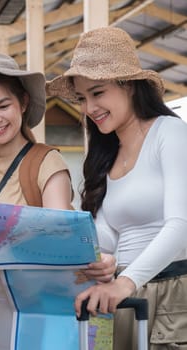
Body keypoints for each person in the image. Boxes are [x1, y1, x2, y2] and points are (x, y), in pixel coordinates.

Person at [0, 52, 116, 350]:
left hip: (18, 324)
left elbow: (60, 243)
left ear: (23, 103)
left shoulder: (45, 163)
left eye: (3, 105)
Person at [47, 26, 187, 349]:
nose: (89, 108)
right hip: (123, 300)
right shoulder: (106, 156)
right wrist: (102, 260)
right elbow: (110, 236)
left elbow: (180, 225)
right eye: (82, 98)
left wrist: (124, 282)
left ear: (130, 86)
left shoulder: (170, 134)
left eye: (98, 93)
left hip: (168, 295)